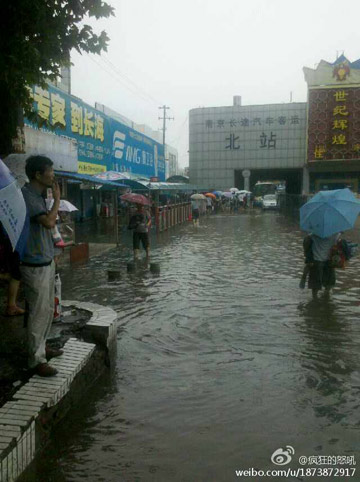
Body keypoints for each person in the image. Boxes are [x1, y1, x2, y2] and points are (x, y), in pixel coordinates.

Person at [20, 155, 63, 377]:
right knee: (37, 313)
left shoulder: (37, 196)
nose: (53, 174)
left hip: (45, 260)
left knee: (46, 311)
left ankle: (43, 347)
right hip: (34, 264)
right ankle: (35, 360)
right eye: (50, 171)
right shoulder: (28, 196)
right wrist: (57, 199)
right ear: (38, 174)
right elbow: (48, 222)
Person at [305, 232, 340, 299]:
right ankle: (326, 295)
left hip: (316, 260)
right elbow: (337, 243)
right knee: (329, 281)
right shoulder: (335, 234)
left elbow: (307, 241)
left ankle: (314, 298)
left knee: (315, 283)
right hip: (329, 261)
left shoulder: (313, 234)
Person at [0, 224, 25, 316]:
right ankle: (11, 307)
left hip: (8, 239)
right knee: (15, 274)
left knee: (15, 274)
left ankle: (11, 306)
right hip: (6, 240)